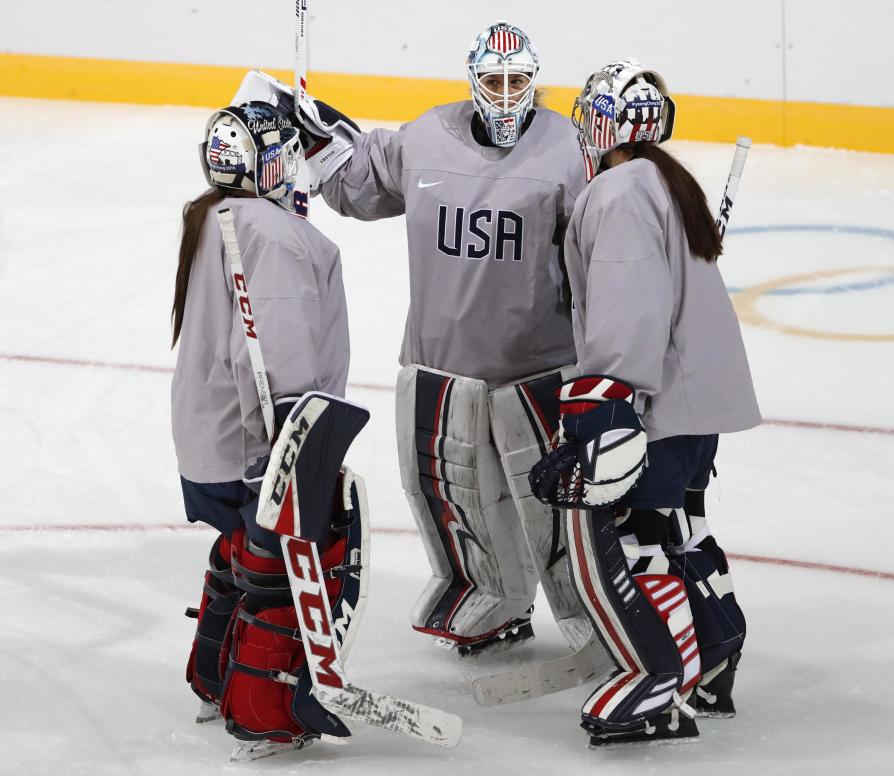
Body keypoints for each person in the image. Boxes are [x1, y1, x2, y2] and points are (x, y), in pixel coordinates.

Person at [232, 20, 592, 657]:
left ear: (534, 81)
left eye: (517, 81)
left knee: (558, 504)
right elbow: (358, 185)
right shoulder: (428, 136)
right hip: (440, 362)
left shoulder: (569, 148)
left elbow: (607, 238)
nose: (506, 94)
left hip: (540, 367)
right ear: (472, 79)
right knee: (450, 492)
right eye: (493, 80)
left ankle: (592, 612)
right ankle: (491, 595)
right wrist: (313, 139)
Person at [530, 59, 760, 746]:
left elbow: (631, 308)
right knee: (681, 527)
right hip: (696, 400)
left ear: (605, 122)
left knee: (634, 539)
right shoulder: (663, 179)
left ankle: (660, 681)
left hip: (654, 402)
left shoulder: (623, 190)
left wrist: (604, 404)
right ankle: (716, 650)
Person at [172, 101, 368, 761]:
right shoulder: (279, 236)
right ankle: (264, 706)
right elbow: (277, 353)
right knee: (291, 562)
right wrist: (289, 446)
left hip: (209, 436)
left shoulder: (214, 214)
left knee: (242, 550)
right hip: (258, 441)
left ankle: (212, 676)